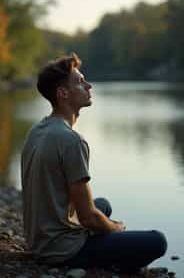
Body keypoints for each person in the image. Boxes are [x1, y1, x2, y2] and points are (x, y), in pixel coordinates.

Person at [21, 53, 167, 272]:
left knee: (104, 204)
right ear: (63, 94)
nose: (89, 85)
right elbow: (88, 217)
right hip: (61, 249)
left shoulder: (37, 130)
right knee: (158, 241)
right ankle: (111, 264)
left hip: (38, 239)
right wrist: (115, 229)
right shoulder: (71, 141)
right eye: (81, 82)